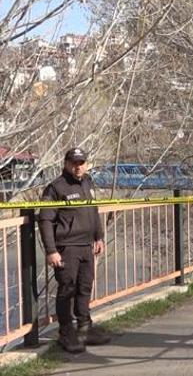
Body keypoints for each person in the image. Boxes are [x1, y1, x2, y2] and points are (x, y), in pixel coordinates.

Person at [38, 148, 111, 353]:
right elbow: (45, 220)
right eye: (74, 163)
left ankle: (85, 328)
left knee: (85, 287)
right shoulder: (55, 188)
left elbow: (93, 211)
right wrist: (51, 250)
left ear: (86, 164)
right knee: (67, 289)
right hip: (67, 248)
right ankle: (66, 332)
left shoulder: (87, 182)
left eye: (81, 163)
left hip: (87, 245)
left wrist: (98, 236)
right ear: (66, 164)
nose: (78, 167)